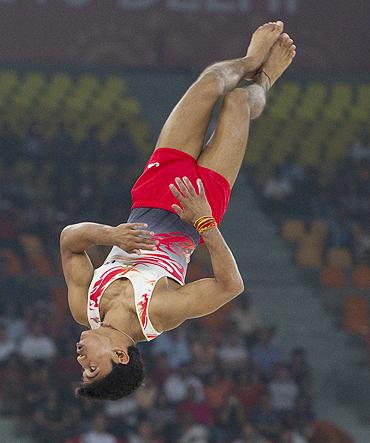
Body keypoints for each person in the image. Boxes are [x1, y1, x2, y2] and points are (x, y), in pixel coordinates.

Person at [60, 21, 296, 401]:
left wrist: (110, 236)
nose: (80, 359)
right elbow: (230, 286)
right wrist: (204, 220)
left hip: (151, 194)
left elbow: (69, 241)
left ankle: (251, 59)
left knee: (207, 83)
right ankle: (265, 78)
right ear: (121, 355)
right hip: (197, 206)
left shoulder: (82, 305)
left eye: (83, 369)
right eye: (92, 368)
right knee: (237, 102)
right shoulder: (160, 312)